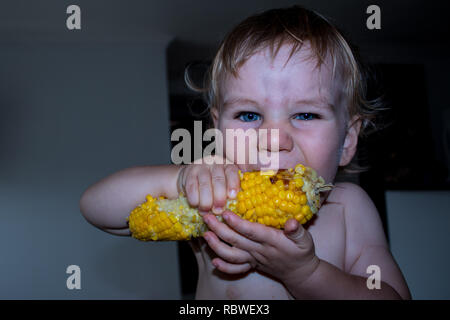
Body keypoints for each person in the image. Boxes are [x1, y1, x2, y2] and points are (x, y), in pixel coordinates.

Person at [80, 6, 411, 299]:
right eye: (249, 115)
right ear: (218, 130)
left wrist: (305, 274)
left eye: (305, 115)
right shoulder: (216, 200)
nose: (272, 138)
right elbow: (96, 207)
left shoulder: (348, 208)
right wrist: (180, 180)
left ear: (348, 139)